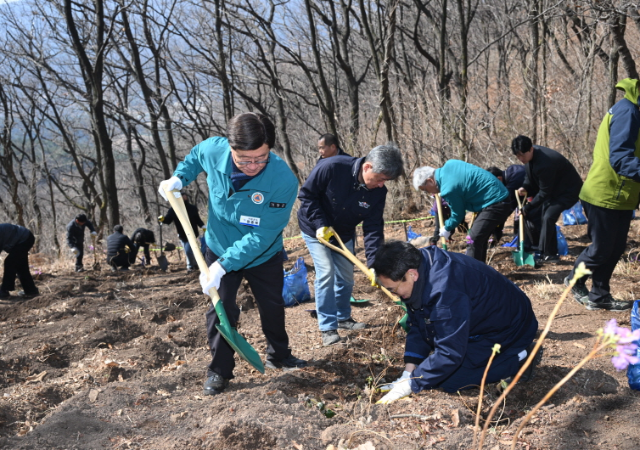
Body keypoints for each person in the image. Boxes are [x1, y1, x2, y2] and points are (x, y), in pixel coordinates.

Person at [157, 112, 307, 396]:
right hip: (219, 244)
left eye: (260, 158)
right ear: (229, 148)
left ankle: (279, 354)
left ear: (270, 149)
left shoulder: (282, 180)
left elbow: (262, 235)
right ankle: (219, 371)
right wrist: (179, 177)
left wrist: (224, 266)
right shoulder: (214, 150)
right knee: (220, 308)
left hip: (262, 254)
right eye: (243, 159)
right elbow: (196, 156)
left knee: (273, 306)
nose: (252, 166)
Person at [371, 241, 539, 402]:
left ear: (412, 274)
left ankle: (521, 357)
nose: (393, 294)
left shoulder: (445, 292)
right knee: (434, 373)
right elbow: (419, 324)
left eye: (392, 289)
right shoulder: (419, 267)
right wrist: (408, 373)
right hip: (478, 323)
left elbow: (449, 352)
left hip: (509, 328)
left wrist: (412, 384)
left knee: (451, 381)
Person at [298, 144, 404, 346]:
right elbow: (307, 195)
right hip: (315, 229)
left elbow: (373, 228)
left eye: (386, 181)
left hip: (343, 233)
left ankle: (343, 317)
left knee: (346, 276)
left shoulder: (378, 193)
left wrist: (374, 263)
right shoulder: (332, 167)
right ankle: (328, 327)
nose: (382, 184)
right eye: (380, 178)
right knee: (326, 271)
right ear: (367, 167)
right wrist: (320, 224)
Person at [565, 79, 640, 312]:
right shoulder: (628, 112)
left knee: (615, 248)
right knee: (601, 249)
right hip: (605, 193)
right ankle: (574, 281)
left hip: (622, 196)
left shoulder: (634, 110)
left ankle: (600, 295)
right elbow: (620, 158)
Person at [413, 161, 511, 264]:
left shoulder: (448, 189)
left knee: (472, 239)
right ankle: (481, 273)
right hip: (497, 197)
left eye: (425, 189)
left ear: (430, 180)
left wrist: (446, 228)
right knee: (478, 240)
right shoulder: (451, 164)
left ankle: (472, 275)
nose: (429, 193)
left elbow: (458, 214)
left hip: (496, 202)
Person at [511, 135, 582, 262]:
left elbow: (544, 192)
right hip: (554, 190)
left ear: (531, 149)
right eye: (517, 156)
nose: (520, 159)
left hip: (568, 191)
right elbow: (529, 176)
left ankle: (546, 253)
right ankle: (547, 252)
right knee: (544, 215)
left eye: (522, 155)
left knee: (548, 216)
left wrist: (528, 206)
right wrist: (525, 187)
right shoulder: (530, 158)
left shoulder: (545, 163)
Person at [161, 192, 204, 272]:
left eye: (185, 198)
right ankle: (192, 265)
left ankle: (191, 266)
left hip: (193, 233)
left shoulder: (192, 208)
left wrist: (203, 226)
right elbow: (168, 220)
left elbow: (197, 219)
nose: (184, 199)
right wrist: (162, 219)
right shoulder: (174, 209)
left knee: (192, 250)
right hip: (182, 235)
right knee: (188, 251)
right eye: (182, 198)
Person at [486, 165, 528, 245]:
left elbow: (507, 205)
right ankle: (517, 240)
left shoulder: (514, 179)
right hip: (524, 196)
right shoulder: (510, 172)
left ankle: (521, 243)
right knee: (518, 215)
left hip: (543, 195)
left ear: (499, 179)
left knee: (521, 216)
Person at [0, 224, 39, 299]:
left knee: (10, 262)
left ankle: (4, 290)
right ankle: (31, 290)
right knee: (21, 267)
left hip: (25, 239)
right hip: (22, 239)